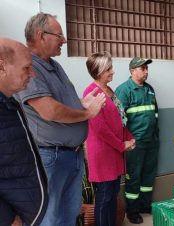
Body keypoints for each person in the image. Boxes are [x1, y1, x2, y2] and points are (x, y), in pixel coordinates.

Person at [15, 13, 106, 226]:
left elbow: (63, 101)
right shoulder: (30, 67)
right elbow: (49, 111)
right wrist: (87, 114)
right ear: (41, 35)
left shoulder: (54, 66)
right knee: (50, 217)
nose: (64, 40)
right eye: (59, 35)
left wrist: (81, 103)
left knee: (69, 214)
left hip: (71, 156)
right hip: (51, 157)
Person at [84, 52, 136, 226]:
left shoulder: (109, 90)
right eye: (109, 68)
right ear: (99, 71)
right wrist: (122, 145)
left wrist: (129, 138)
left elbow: (120, 119)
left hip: (114, 151)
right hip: (103, 152)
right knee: (104, 197)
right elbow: (100, 129)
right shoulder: (91, 92)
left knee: (112, 194)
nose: (113, 71)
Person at [0, 38, 48, 225]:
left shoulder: (9, 104)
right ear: (2, 67)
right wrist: (7, 218)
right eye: (26, 68)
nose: (33, 74)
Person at [115, 57, 159, 224]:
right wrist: (127, 142)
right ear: (132, 71)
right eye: (143, 68)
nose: (146, 71)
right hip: (135, 144)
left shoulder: (150, 89)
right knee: (134, 177)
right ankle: (132, 211)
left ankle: (144, 205)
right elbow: (119, 120)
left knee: (148, 176)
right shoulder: (124, 90)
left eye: (147, 68)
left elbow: (155, 114)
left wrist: (156, 135)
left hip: (151, 141)